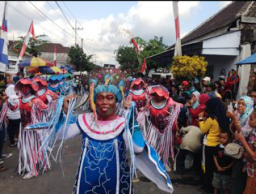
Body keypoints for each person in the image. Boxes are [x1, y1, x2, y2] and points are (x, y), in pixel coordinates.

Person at [27, 73, 174, 194]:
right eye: (100, 98)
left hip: (116, 183)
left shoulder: (122, 123)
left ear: (116, 102)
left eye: (109, 98)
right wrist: (62, 112)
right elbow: (60, 134)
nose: (104, 102)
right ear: (94, 101)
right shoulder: (84, 120)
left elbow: (137, 148)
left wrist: (132, 120)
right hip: (86, 183)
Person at [137, 85, 182, 170]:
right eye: (155, 94)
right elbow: (145, 109)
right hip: (154, 129)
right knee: (153, 146)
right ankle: (154, 163)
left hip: (165, 130)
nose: (157, 96)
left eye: (159, 95)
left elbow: (178, 105)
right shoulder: (150, 101)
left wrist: (178, 105)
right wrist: (143, 111)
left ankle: (164, 163)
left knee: (165, 147)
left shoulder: (169, 101)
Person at [14, 78, 49, 179]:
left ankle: (34, 170)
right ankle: (34, 166)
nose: (24, 89)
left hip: (34, 130)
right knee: (27, 149)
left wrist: (60, 102)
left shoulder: (36, 100)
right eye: (23, 87)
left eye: (27, 87)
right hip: (24, 131)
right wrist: (9, 102)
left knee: (34, 149)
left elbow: (47, 108)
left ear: (32, 88)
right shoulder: (20, 100)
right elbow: (13, 107)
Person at [198, 97, 230, 191]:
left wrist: (200, 118)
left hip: (209, 144)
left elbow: (203, 129)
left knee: (207, 167)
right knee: (214, 167)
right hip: (218, 144)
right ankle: (215, 187)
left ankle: (207, 186)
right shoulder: (224, 116)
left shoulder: (211, 118)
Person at [226, 95, 254, 194]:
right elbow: (233, 130)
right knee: (234, 176)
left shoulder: (250, 118)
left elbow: (243, 134)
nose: (240, 106)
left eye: (243, 104)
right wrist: (231, 117)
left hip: (245, 154)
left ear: (249, 106)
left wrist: (235, 119)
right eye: (239, 103)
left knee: (238, 178)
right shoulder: (239, 114)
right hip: (237, 150)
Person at [235, 111, 256, 194]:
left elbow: (254, 157)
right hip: (250, 168)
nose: (249, 121)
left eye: (251, 119)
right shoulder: (253, 130)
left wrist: (243, 141)